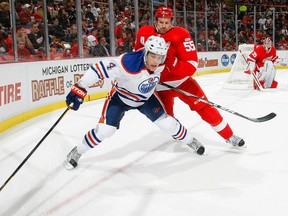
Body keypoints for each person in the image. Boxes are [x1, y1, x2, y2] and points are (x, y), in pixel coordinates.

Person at [63, 36, 205, 170]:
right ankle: (78, 151)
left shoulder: (162, 61)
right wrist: (81, 86)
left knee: (168, 124)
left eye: (160, 57)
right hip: (121, 98)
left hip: (145, 99)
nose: (156, 61)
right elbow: (100, 68)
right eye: (153, 56)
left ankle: (190, 140)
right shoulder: (129, 63)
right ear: (146, 52)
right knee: (106, 130)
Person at [134, 6, 244, 148]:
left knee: (205, 108)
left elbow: (191, 65)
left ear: (172, 22)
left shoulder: (180, 34)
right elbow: (137, 57)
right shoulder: (144, 32)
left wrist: (172, 63)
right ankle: (182, 135)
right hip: (160, 86)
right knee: (167, 118)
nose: (164, 26)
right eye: (161, 22)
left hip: (183, 82)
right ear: (155, 21)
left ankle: (229, 136)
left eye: (167, 22)